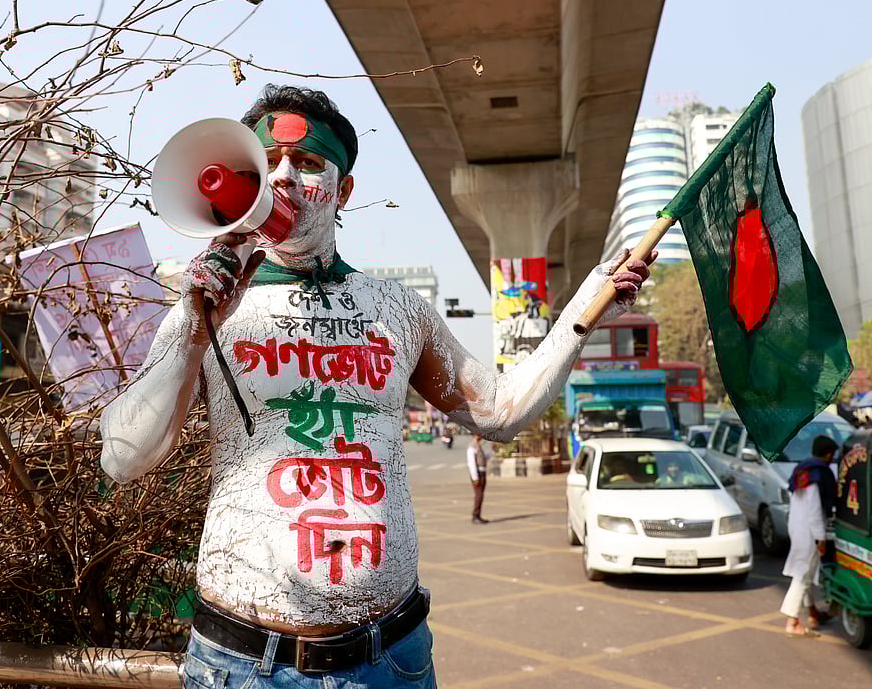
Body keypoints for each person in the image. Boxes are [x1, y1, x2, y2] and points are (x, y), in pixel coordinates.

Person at [97, 84, 655, 688]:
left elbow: (497, 411)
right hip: (244, 663)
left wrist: (585, 309)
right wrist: (191, 327)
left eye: (307, 162)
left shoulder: (398, 310)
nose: (283, 177)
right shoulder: (203, 310)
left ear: (343, 190)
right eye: (267, 162)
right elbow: (124, 458)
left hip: (390, 658)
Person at [781, 435, 838, 637]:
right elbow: (814, 509)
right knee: (803, 575)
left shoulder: (802, 469)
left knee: (805, 572)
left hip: (796, 526)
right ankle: (792, 622)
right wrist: (820, 538)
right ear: (828, 454)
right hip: (809, 530)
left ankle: (813, 613)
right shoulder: (818, 473)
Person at [466, 433, 490, 523]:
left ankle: (478, 515)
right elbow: (471, 463)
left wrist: (492, 452)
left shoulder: (478, 445)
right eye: (479, 434)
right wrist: (475, 478)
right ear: (475, 435)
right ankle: (475, 515)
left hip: (482, 472)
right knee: (479, 495)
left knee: (480, 495)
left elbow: (483, 459)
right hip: (478, 474)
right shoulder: (472, 447)